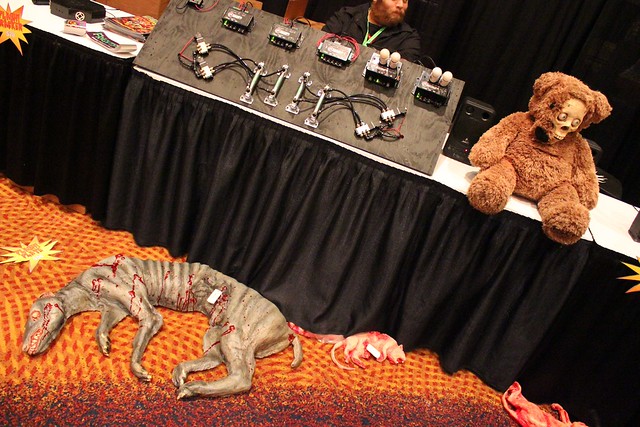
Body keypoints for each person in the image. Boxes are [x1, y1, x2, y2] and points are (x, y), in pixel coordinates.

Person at [321, 0, 422, 63]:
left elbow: (405, 73)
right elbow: (320, 46)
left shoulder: (408, 38)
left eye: (405, 1)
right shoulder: (345, 17)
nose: (400, 5)